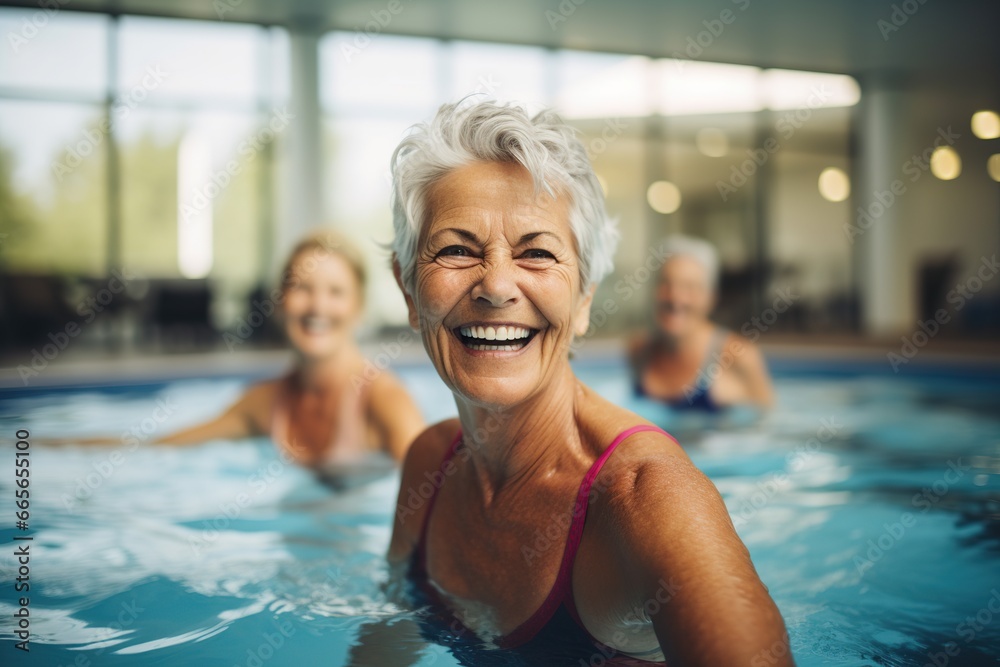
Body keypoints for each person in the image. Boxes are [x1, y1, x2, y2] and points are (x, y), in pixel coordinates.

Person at [384, 101, 793, 665]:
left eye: (537, 253)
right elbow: (386, 641)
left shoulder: (647, 499)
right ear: (408, 291)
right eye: (456, 249)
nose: (497, 286)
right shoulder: (428, 465)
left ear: (583, 301)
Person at [58, 230, 425, 471]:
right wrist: (35, 445)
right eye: (303, 288)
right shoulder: (265, 403)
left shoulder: (383, 399)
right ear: (280, 301)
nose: (317, 307)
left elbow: (436, 490)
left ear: (358, 306)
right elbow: (158, 445)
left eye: (335, 292)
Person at [629, 235, 774, 412]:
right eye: (666, 284)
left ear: (711, 298)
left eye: (689, 287)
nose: (676, 298)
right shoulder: (639, 353)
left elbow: (766, 425)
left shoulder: (739, 358)